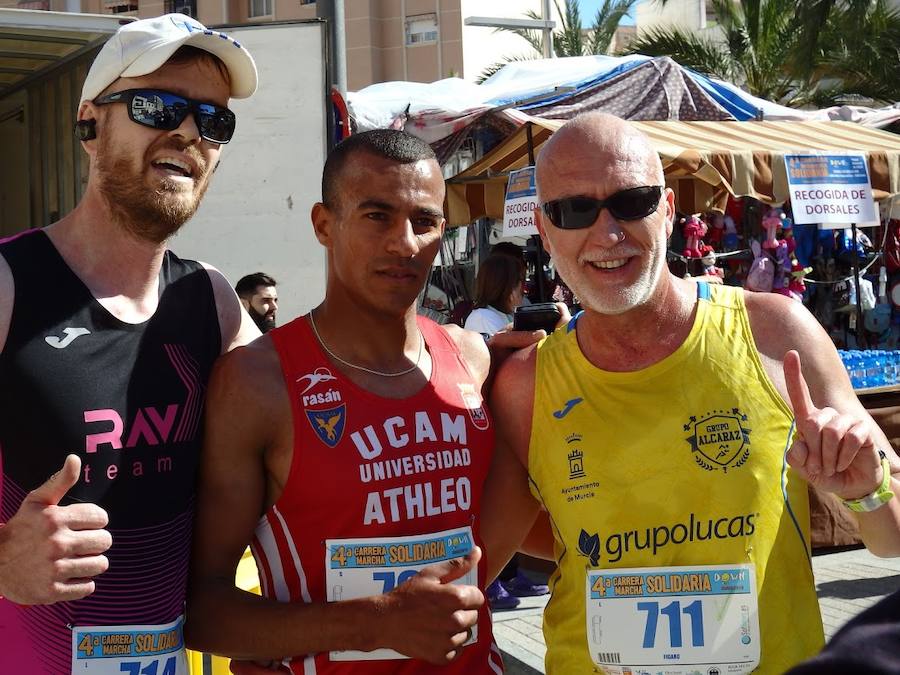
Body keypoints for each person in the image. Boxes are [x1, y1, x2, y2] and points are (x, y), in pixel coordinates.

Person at [480, 112, 900, 675]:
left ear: (669, 211)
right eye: (575, 209)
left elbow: (891, 536)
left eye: (632, 202)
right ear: (544, 227)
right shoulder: (525, 384)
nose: (607, 234)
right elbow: (495, 552)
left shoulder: (775, 333)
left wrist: (864, 490)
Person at [185, 129, 504, 673]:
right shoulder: (257, 382)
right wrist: (375, 621)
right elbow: (201, 611)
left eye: (423, 222)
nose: (404, 243)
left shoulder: (473, 359)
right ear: (323, 225)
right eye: (377, 216)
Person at [0, 14, 259, 674]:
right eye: (157, 106)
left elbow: (318, 414)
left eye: (214, 120)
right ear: (89, 125)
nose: (189, 132)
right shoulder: (7, 288)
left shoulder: (214, 303)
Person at [464, 254, 523, 337]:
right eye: (520, 280)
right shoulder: (483, 318)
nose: (522, 288)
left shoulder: (502, 315)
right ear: (510, 287)